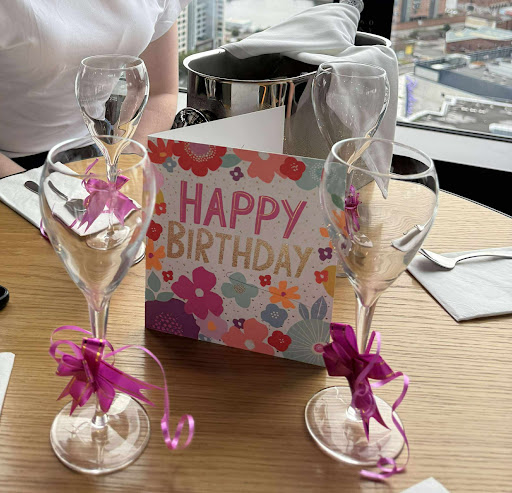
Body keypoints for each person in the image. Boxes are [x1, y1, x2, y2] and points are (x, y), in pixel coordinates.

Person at [0, 0, 190, 178]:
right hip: (9, 166)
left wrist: (123, 161)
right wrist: (23, 187)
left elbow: (160, 92)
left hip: (98, 152)